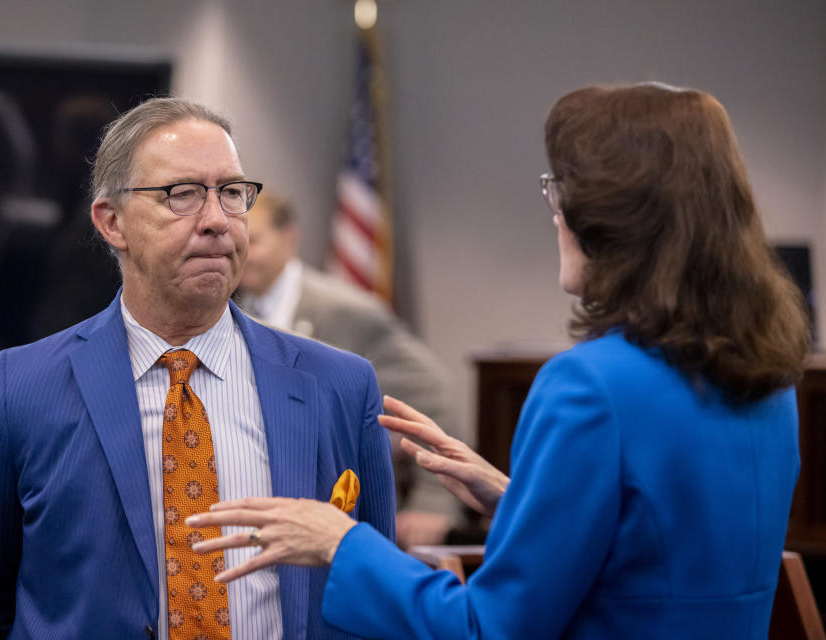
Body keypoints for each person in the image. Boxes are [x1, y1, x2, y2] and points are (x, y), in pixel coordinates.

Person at [185, 82, 811, 639]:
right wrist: (520, 502)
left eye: (559, 187)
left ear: (611, 217)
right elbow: (664, 559)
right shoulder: (765, 374)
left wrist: (340, 543)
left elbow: (487, 627)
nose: (554, 209)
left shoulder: (589, 388)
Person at [0, 97, 396, 640]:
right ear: (112, 222)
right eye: (181, 195)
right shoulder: (25, 386)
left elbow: (376, 587)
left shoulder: (340, 386)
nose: (215, 220)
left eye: (231, 193)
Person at [237, 192, 463, 547]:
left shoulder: (344, 311)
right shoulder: (234, 307)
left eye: (255, 241)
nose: (243, 252)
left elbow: (433, 394)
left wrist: (434, 499)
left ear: (289, 238)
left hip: (341, 522)